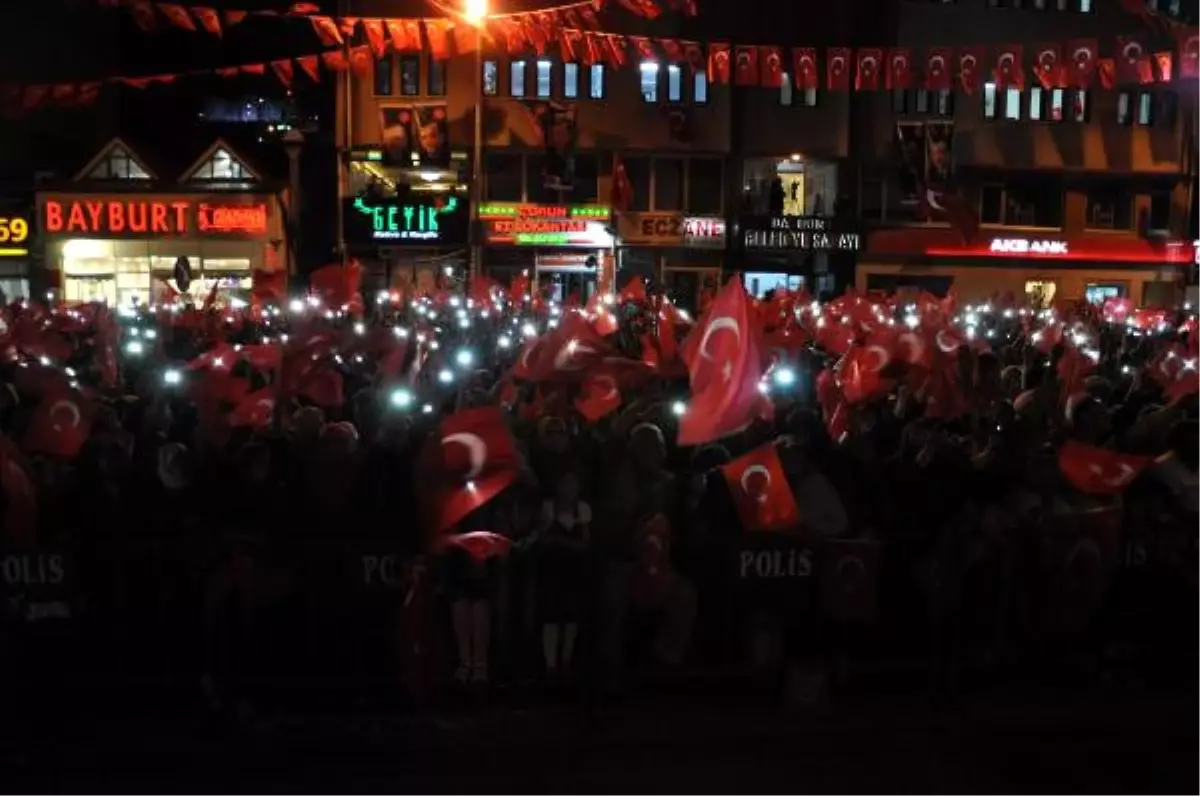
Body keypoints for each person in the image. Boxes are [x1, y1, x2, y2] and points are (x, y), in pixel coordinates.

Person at [533, 472, 591, 680]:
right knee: (551, 614)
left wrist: (558, 541)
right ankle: (550, 664)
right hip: (552, 568)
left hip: (573, 570)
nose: (569, 490)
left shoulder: (582, 509)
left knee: (570, 614)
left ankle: (565, 661)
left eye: (573, 485)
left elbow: (584, 543)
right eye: (565, 484)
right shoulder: (548, 507)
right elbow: (542, 538)